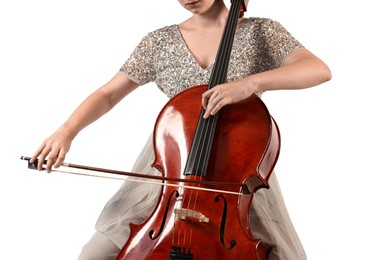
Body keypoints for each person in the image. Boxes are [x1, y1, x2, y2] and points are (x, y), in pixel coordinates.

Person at [30, 0, 331, 259]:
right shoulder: (159, 42)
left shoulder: (260, 32)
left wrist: (250, 84)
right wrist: (66, 132)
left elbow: (318, 70)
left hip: (235, 170)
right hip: (170, 167)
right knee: (95, 254)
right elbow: (108, 94)